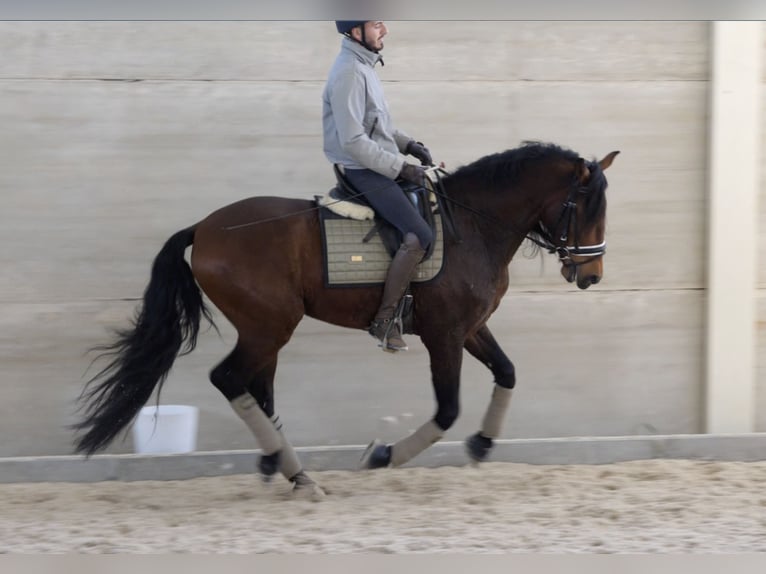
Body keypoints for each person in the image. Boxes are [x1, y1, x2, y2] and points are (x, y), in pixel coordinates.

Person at [323, 20, 434, 353]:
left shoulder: (364, 66)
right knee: (420, 236)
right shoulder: (350, 74)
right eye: (375, 25)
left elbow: (378, 126)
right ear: (356, 32)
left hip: (378, 160)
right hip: (362, 169)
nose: (384, 30)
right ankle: (384, 321)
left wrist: (408, 144)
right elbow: (355, 142)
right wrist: (402, 167)